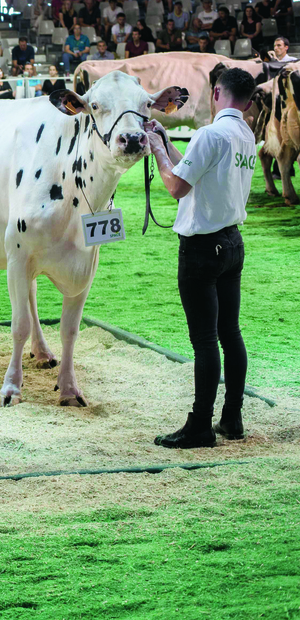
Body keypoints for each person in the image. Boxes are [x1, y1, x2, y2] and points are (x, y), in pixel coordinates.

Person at [145, 67, 257, 449]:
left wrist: (158, 150)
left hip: (202, 249)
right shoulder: (245, 135)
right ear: (248, 101)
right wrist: (165, 138)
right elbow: (197, 170)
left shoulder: (211, 134)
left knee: (205, 341)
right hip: (232, 244)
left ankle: (200, 426)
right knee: (230, 333)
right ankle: (232, 417)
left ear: (216, 94)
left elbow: (177, 186)